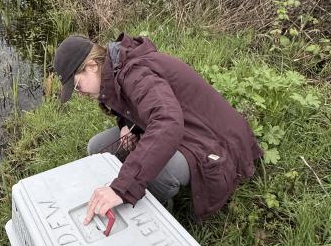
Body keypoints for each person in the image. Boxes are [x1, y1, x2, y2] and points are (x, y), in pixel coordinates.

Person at [52, 33, 262, 226]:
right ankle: (135, 190)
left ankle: (157, 215)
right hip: (181, 125)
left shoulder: (136, 73)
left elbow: (167, 122)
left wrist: (121, 188)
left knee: (160, 172)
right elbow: (141, 105)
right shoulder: (116, 68)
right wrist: (127, 126)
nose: (79, 93)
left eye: (77, 86)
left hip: (211, 138)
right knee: (97, 148)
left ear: (91, 66)